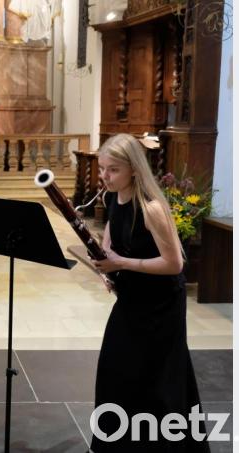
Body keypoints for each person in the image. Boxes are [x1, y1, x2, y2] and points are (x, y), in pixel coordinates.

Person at [89, 133, 209, 452]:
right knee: (116, 371)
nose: (104, 176)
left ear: (134, 170)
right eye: (102, 169)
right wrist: (105, 262)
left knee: (158, 379)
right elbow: (110, 238)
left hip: (161, 305)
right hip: (132, 298)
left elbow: (175, 264)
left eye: (112, 170)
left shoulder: (152, 208)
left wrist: (121, 263)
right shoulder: (113, 198)